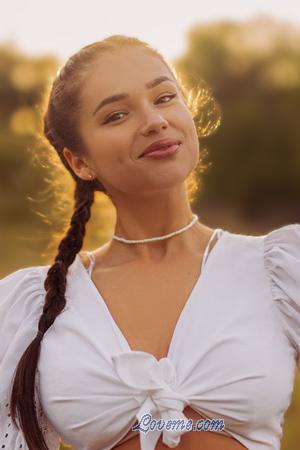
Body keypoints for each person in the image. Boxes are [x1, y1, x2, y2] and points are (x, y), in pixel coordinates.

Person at [0, 34, 300, 450]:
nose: (154, 120)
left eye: (164, 98)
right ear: (79, 161)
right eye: (117, 115)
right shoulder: (31, 305)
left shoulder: (281, 271)